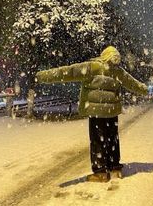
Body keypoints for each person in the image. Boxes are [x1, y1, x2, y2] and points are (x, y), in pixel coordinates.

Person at [36, 46, 147, 182]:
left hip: (96, 112)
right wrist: (144, 89)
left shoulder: (91, 67)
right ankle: (114, 168)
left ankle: (100, 172)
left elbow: (67, 72)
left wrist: (42, 76)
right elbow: (132, 83)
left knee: (97, 141)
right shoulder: (118, 71)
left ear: (103, 56)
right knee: (113, 139)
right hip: (112, 112)